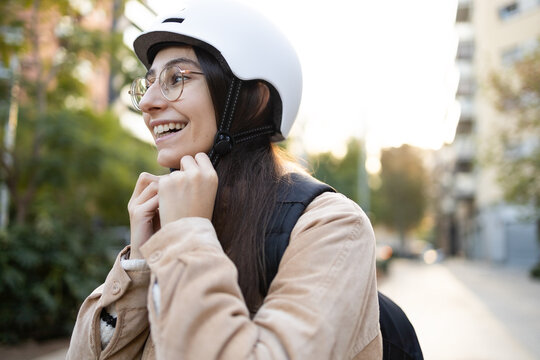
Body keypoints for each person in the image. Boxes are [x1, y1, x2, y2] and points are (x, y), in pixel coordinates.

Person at [66, 0, 382, 358]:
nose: (148, 102)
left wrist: (186, 235)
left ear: (252, 100)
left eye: (176, 78)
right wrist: (139, 267)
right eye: (150, 82)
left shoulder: (333, 227)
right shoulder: (168, 219)